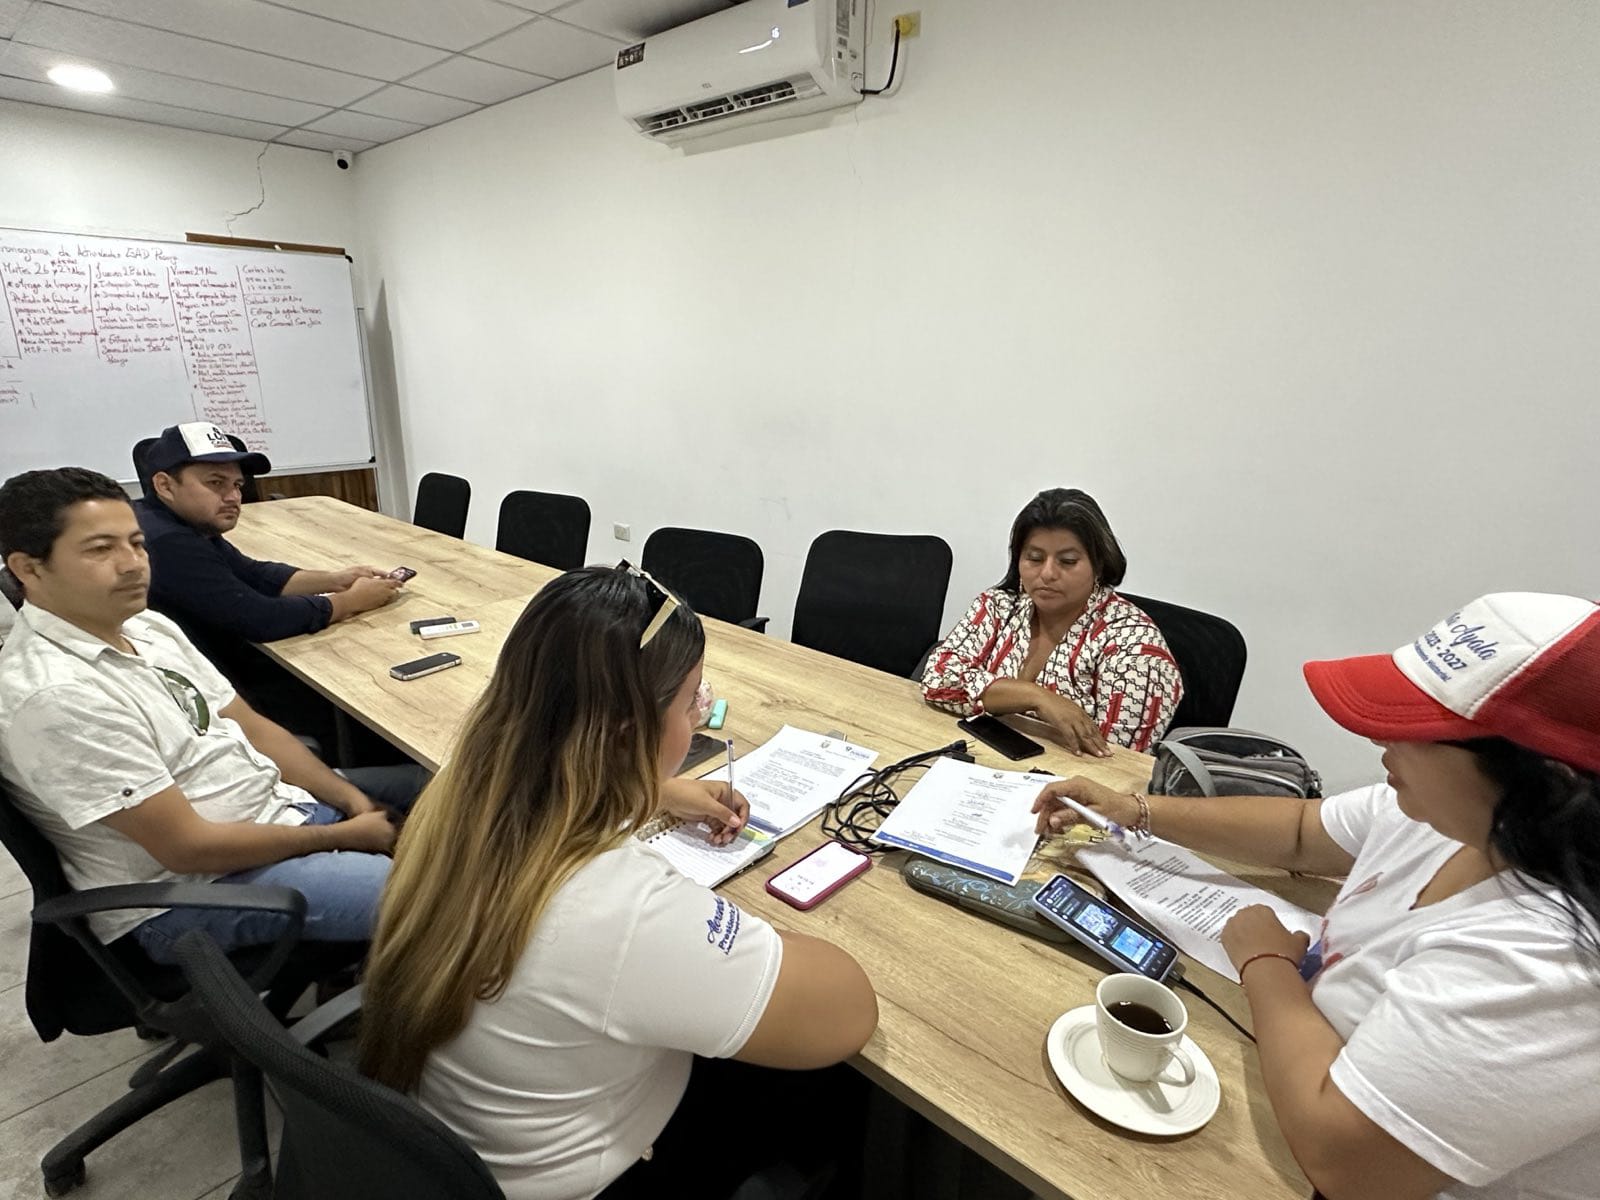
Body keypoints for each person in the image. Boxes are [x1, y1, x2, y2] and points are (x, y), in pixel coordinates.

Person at [1033, 592, 1600, 1200]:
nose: (1381, 741)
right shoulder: (1451, 815)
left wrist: (1264, 961)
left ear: (1544, 786)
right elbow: (1303, 832)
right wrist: (1135, 809)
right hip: (1285, 1067)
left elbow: (1345, 1161)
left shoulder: (1554, 962)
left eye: (1417, 731)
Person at [359, 565, 878, 1200]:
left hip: (474, 1148)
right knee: (846, 1085)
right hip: (599, 1178)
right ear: (630, 733)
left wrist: (651, 789)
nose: (698, 718)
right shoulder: (616, 905)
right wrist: (752, 939)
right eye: (691, 703)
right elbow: (849, 1013)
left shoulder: (462, 797)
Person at [0, 467, 427, 963]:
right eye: (100, 549)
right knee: (449, 899)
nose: (133, 564)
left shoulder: (146, 626)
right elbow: (188, 849)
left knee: (450, 786)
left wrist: (353, 801)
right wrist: (343, 834)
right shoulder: (55, 697)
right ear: (29, 568)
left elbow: (252, 727)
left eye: (137, 544)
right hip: (197, 890)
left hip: (278, 809)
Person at [922, 488, 1183, 755]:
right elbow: (937, 679)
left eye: (1067, 561)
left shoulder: (1136, 646)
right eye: (1034, 558)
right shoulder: (999, 605)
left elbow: (1117, 758)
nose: (1047, 573)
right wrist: (1036, 697)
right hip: (981, 760)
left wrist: (995, 695)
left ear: (1099, 565)